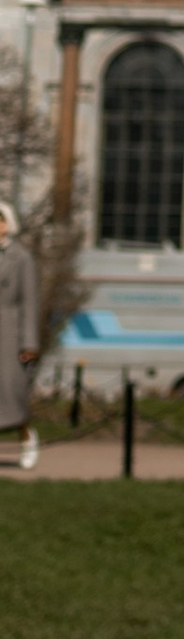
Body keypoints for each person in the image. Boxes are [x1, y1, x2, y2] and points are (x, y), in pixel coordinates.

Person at [0, 202, 42, 473]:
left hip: (9, 334)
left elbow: (29, 301)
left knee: (11, 394)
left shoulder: (21, 257)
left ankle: (27, 438)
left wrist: (29, 342)